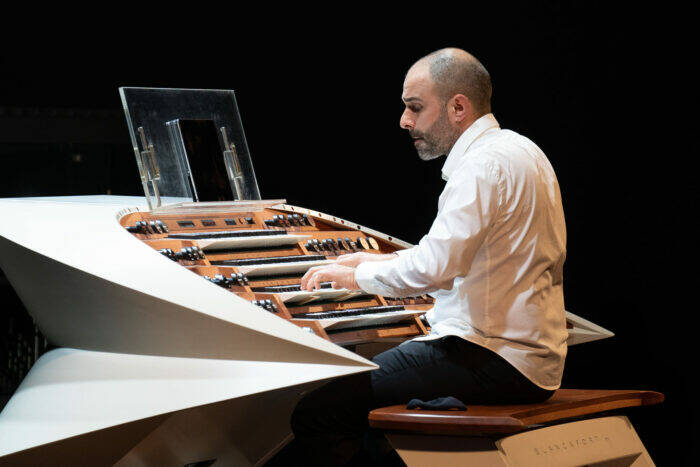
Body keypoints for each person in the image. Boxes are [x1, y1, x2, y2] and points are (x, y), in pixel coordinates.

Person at [292, 48, 568, 466]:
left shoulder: (480, 166)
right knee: (369, 402)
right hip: (530, 360)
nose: (404, 121)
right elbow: (455, 255)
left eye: (415, 108)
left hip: (491, 357)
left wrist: (356, 279)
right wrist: (367, 264)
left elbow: (436, 268)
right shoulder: (522, 149)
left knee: (316, 413)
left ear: (458, 106)